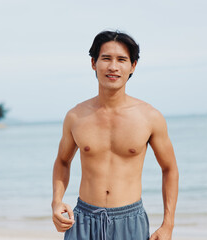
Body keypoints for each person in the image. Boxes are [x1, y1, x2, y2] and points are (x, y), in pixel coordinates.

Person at [52, 30, 179, 240]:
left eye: (121, 59)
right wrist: (57, 201)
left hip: (129, 221)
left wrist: (168, 225)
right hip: (83, 220)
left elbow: (170, 169)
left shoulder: (150, 117)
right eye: (106, 58)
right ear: (93, 63)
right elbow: (62, 161)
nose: (113, 67)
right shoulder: (76, 116)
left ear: (133, 66)